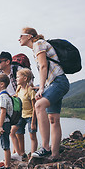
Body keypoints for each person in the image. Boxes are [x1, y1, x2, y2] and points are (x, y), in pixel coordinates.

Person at [19, 27, 70, 159]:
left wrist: (41, 88)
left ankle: (46, 148)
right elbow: (45, 70)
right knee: (53, 119)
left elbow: (43, 66)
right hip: (54, 84)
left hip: (58, 82)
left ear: (29, 36)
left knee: (39, 105)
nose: (19, 38)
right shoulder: (38, 46)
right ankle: (55, 154)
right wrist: (42, 86)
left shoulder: (38, 44)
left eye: (21, 35)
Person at [10, 68, 38, 161]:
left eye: (18, 77)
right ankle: (20, 153)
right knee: (16, 133)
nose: (16, 79)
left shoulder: (30, 90)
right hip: (21, 116)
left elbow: (34, 107)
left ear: (25, 78)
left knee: (32, 136)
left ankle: (33, 156)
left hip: (30, 116)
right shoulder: (18, 89)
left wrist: (33, 122)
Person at [0, 74, 13, 169]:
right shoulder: (3, 95)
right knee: (4, 143)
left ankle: (7, 165)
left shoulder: (3, 96)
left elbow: (3, 112)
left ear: (2, 84)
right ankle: (6, 163)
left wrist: (0, 126)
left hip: (4, 123)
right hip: (3, 123)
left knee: (5, 145)